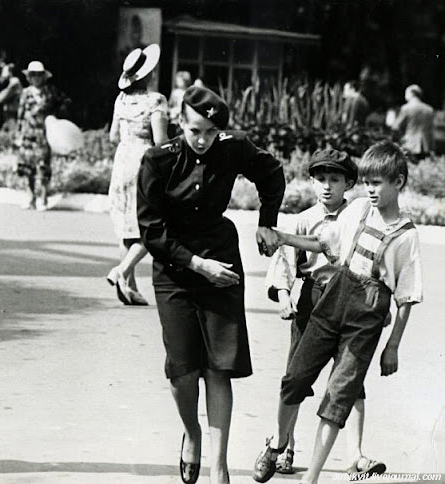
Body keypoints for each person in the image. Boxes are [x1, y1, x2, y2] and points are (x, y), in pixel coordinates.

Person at [137, 86, 285, 484]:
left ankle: (219, 467)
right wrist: (198, 265)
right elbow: (151, 230)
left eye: (210, 132)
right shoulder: (158, 160)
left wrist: (267, 222)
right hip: (176, 267)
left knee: (219, 367)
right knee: (182, 371)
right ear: (180, 123)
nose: (202, 140)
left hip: (222, 260)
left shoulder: (232, 147)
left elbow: (271, 173)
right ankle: (192, 433)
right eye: (195, 131)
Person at [254, 141, 423, 484]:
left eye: (377, 183)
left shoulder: (407, 237)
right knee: (295, 378)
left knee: (339, 396)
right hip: (332, 301)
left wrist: (392, 346)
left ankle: (312, 477)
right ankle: (279, 443)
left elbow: (406, 298)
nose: (370, 190)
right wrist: (281, 236)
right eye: (367, 182)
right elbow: (323, 243)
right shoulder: (359, 210)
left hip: (366, 317)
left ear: (399, 182)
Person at [106, 43, 168, 306]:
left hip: (122, 161)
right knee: (153, 223)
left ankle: (130, 286)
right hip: (145, 161)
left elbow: (112, 136)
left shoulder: (121, 100)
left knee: (126, 226)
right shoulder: (156, 100)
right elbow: (161, 141)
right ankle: (121, 271)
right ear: (148, 74)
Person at [15, 60, 70, 210]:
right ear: (29, 77)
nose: (36, 78)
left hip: (44, 134)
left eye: (39, 75)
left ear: (43, 76)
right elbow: (20, 114)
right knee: (27, 167)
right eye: (33, 75)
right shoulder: (25, 93)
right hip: (28, 134)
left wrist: (56, 119)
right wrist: (18, 133)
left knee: (43, 167)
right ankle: (31, 197)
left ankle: (44, 199)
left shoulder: (50, 92)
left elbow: (64, 103)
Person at [393, 84, 434, 159]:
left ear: (412, 94)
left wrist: (400, 137)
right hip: (425, 145)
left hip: (409, 144)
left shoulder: (406, 108)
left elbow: (396, 127)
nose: (405, 96)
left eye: (406, 93)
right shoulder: (429, 109)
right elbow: (430, 129)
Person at [167, 71, 192, 138]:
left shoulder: (189, 92)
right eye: (177, 80)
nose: (177, 82)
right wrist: (172, 110)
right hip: (175, 118)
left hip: (185, 117)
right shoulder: (175, 92)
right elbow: (170, 105)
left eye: (179, 80)